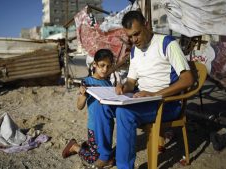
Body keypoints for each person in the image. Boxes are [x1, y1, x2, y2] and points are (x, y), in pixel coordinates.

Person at [93, 10, 194, 169]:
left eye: (137, 34)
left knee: (124, 113)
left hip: (166, 103)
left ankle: (124, 166)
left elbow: (187, 79)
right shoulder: (135, 51)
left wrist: (154, 94)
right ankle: (105, 155)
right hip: (142, 99)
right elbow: (132, 82)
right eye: (130, 37)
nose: (134, 40)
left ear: (146, 25)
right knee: (102, 106)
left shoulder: (167, 43)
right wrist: (123, 87)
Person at [62, 49, 115, 168]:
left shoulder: (109, 84)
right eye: (102, 65)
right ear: (94, 64)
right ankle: (75, 147)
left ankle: (88, 145)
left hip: (108, 125)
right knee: (94, 160)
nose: (105, 69)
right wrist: (84, 95)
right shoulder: (87, 82)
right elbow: (79, 106)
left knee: (108, 157)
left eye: (108, 66)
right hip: (94, 127)